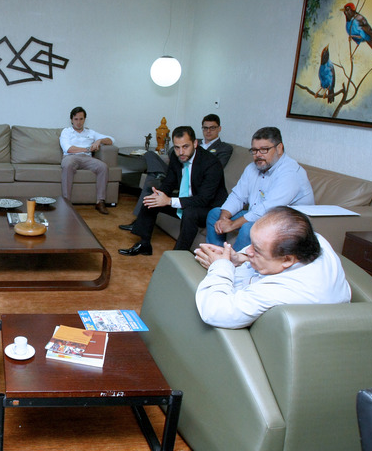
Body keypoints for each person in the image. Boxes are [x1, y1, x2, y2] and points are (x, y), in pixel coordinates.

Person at [194, 206, 350, 329]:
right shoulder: (316, 240)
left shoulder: (281, 291)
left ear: (287, 259)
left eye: (256, 249)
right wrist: (241, 258)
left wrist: (221, 266)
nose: (249, 250)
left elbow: (214, 311)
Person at [118, 126, 227, 256]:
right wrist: (159, 195)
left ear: (195, 143)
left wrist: (169, 201)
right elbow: (169, 182)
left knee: (190, 213)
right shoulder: (177, 157)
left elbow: (204, 199)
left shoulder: (211, 164)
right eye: (177, 147)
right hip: (188, 199)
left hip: (209, 207)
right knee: (152, 200)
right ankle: (144, 244)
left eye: (185, 147)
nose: (181, 152)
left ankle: (177, 256)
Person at [206, 127, 313, 250]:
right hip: (261, 217)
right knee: (215, 214)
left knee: (249, 228)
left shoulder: (290, 173)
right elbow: (238, 196)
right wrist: (223, 219)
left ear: (279, 148)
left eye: (264, 150)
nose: (258, 155)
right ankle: (216, 256)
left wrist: (233, 225)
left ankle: (233, 261)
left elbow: (268, 209)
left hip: (288, 224)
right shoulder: (252, 168)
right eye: (254, 150)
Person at [59, 106, 114, 214]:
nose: (78, 122)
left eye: (81, 119)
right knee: (67, 165)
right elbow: (68, 148)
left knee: (103, 167)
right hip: (70, 157)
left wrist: (99, 141)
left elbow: (111, 140)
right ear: (71, 120)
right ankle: (66, 202)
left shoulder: (91, 132)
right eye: (76, 119)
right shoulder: (66, 132)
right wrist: (88, 149)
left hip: (87, 158)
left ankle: (100, 202)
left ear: (84, 119)